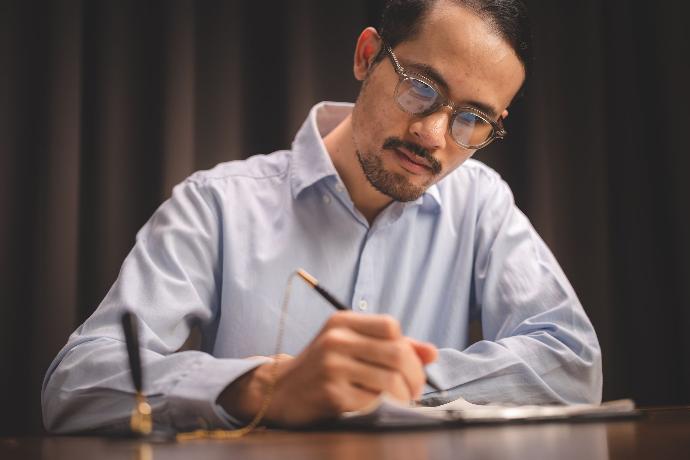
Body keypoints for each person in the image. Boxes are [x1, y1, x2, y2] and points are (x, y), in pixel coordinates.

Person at [42, 0, 602, 433]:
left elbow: (572, 365)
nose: (433, 136)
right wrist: (262, 386)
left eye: (473, 118)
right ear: (367, 56)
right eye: (420, 88)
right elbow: (76, 384)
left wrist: (391, 385)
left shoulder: (481, 202)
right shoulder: (215, 204)